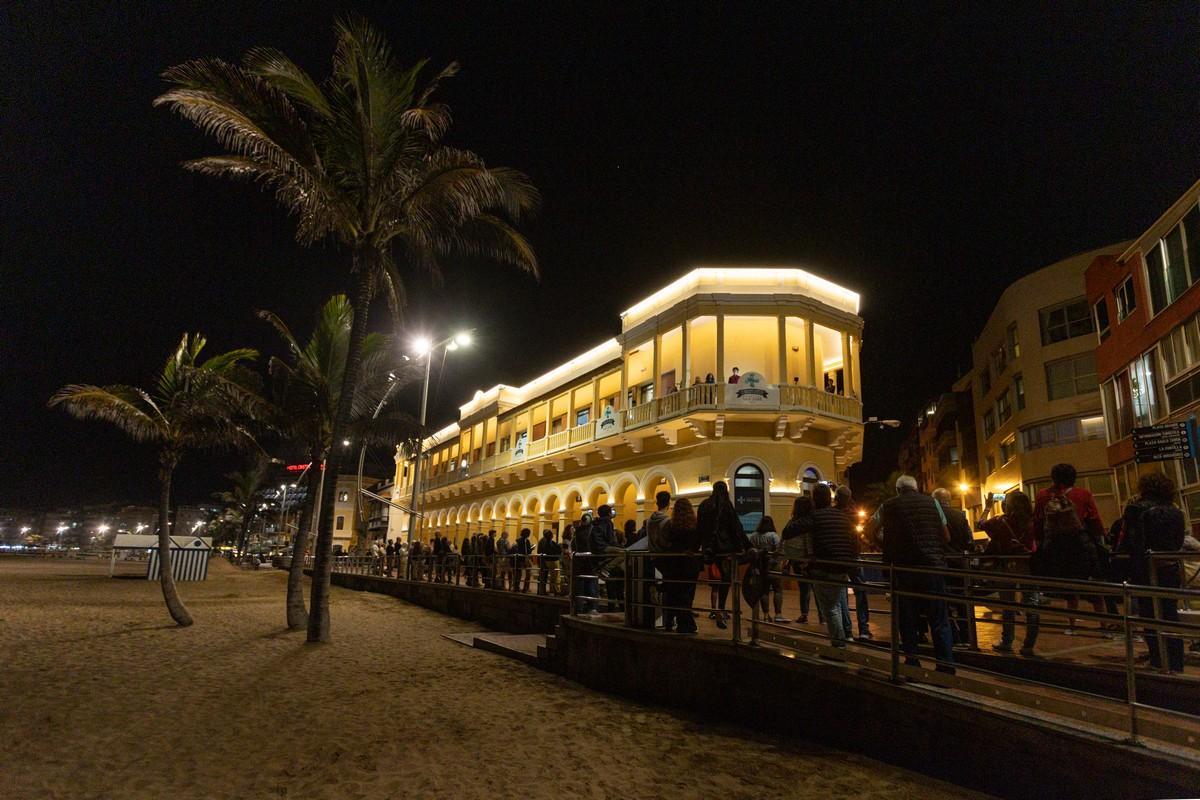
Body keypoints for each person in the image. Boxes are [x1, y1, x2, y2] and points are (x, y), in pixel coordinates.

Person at [865, 474, 955, 673]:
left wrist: (885, 545)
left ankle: (912, 663)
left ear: (898, 490)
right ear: (917, 488)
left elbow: (869, 529)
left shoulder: (888, 506)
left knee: (907, 619)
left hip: (903, 570)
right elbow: (946, 536)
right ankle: (946, 666)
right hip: (932, 568)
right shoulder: (933, 503)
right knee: (939, 618)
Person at [1123, 473, 1187, 673]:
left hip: (1145, 569)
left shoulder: (1135, 508)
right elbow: (1178, 542)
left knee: (1149, 615)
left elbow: (1131, 542)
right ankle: (1176, 662)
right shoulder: (1175, 512)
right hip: (1169, 568)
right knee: (1169, 613)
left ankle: (1158, 659)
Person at [1033, 463, 1106, 633]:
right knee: (1093, 585)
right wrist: (1100, 536)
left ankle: (1072, 625)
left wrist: (1040, 541)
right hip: (1080, 545)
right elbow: (1094, 519)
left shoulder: (1043, 495)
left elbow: (1037, 520)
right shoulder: (1083, 494)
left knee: (1069, 587)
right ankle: (1103, 626)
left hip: (1056, 547)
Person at [977, 491, 1041, 657]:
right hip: (1029, 566)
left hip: (1007, 567)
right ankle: (1028, 645)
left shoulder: (1000, 521)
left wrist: (989, 506)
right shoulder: (1033, 521)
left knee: (1008, 605)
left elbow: (981, 523)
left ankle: (1007, 641)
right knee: (1031, 605)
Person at [800, 485, 857, 647]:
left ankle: (839, 646)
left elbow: (789, 531)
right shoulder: (842, 516)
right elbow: (853, 540)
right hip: (843, 565)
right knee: (838, 603)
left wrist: (800, 513)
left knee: (831, 608)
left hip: (825, 567)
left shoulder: (815, 516)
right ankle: (845, 636)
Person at [698, 481, 751, 629]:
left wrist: (696, 547)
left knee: (715, 580)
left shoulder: (704, 505)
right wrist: (746, 546)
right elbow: (736, 528)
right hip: (725, 551)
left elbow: (699, 528)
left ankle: (718, 609)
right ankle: (721, 608)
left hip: (709, 550)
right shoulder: (727, 505)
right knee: (726, 579)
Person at [933, 487, 975, 649]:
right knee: (962, 602)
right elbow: (969, 540)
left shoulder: (935, 516)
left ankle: (954, 636)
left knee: (944, 602)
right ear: (949, 500)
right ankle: (967, 636)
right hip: (959, 564)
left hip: (942, 563)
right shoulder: (960, 516)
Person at [835, 485, 871, 639]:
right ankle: (863, 629)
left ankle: (847, 630)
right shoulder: (853, 514)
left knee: (841, 593)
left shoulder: (835, 513)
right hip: (854, 555)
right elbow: (856, 510)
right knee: (860, 591)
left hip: (839, 557)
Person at [664, 497, 702, 633]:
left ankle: (679, 621)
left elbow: (668, 542)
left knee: (676, 593)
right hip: (691, 563)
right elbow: (698, 543)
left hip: (676, 562)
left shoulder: (672, 525)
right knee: (688, 593)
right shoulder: (695, 525)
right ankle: (685, 623)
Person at [782, 495, 815, 624]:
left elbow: (784, 539)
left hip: (796, 559)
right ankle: (822, 616)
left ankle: (804, 613)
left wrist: (786, 559)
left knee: (804, 588)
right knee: (816, 588)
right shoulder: (810, 521)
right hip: (808, 558)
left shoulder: (792, 522)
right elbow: (809, 540)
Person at [750, 516, 787, 623]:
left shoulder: (753, 536)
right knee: (778, 590)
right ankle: (778, 614)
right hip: (774, 566)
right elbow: (780, 549)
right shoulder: (773, 535)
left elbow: (751, 550)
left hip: (760, 567)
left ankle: (766, 614)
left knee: (764, 591)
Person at [573, 511, 599, 614]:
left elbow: (575, 545)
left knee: (580, 584)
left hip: (579, 561)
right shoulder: (592, 531)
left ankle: (579, 606)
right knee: (591, 583)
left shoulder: (577, 531)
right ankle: (592, 606)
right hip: (590, 561)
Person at [537, 529, 562, 595]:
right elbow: (555, 550)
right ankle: (556, 591)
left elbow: (539, 551)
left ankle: (541, 591)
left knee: (544, 576)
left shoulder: (542, 541)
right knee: (555, 576)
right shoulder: (550, 542)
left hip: (544, 561)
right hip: (551, 560)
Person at [512, 528, 533, 592]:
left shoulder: (518, 540)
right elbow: (526, 551)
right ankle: (525, 588)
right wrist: (531, 549)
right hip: (524, 558)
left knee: (518, 574)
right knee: (528, 573)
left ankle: (516, 587)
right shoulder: (526, 541)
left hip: (518, 559)